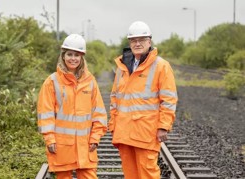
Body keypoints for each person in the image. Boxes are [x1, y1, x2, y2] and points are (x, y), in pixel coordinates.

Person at [108, 21, 178, 179]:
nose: (137, 43)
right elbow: (114, 98)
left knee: (147, 173)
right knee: (130, 174)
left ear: (149, 41)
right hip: (124, 131)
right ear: (129, 43)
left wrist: (164, 126)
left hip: (146, 132)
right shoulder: (122, 67)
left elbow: (169, 100)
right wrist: (113, 124)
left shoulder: (161, 66)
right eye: (133, 40)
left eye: (141, 39)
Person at [37, 34, 107, 179]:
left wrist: (95, 137)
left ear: (82, 57)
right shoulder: (52, 82)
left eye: (77, 55)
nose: (73, 58)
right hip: (62, 146)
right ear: (63, 56)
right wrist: (50, 139)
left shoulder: (90, 81)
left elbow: (99, 113)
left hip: (86, 146)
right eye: (69, 54)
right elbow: (45, 113)